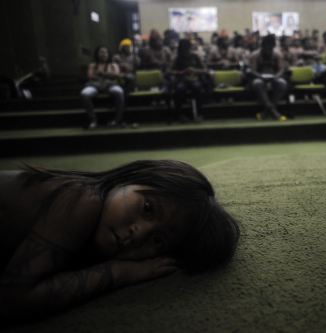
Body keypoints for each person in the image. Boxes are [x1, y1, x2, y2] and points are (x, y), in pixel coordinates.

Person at [0, 160, 240, 322]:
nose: (139, 233)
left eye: (158, 240)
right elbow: (13, 300)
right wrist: (118, 273)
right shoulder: (82, 198)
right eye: (147, 208)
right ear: (130, 179)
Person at [81, 45, 125, 129]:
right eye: (101, 52)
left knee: (119, 92)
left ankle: (117, 120)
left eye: (105, 52)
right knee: (84, 94)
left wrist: (102, 74)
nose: (103, 54)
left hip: (111, 85)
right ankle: (93, 120)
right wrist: (108, 75)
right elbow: (90, 76)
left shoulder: (113, 64)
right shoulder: (92, 65)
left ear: (108, 54)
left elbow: (116, 75)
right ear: (97, 54)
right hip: (94, 85)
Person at [248, 34, 288, 121]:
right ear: (262, 46)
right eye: (266, 47)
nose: (268, 49)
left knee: (282, 83)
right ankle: (275, 112)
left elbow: (281, 69)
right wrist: (261, 76)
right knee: (258, 83)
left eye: (270, 47)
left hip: (274, 76)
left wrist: (276, 77)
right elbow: (253, 70)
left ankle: (265, 112)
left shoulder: (278, 54)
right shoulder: (255, 55)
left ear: (273, 47)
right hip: (258, 77)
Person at [169, 39, 209, 122]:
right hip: (182, 80)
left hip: (194, 79)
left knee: (197, 88)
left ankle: (199, 114)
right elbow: (169, 71)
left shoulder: (195, 56)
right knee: (179, 90)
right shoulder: (177, 58)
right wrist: (181, 72)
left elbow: (205, 70)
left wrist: (195, 70)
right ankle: (180, 114)